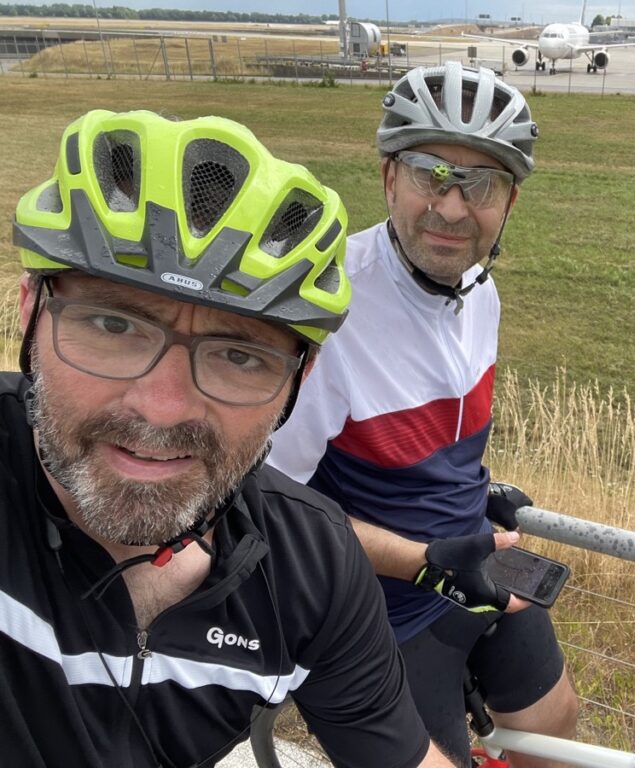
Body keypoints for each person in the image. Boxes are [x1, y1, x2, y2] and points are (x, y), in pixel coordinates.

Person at [1, 109, 454, 768]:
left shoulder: (313, 572)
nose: (162, 409)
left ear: (300, 380)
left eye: (239, 356)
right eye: (114, 325)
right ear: (29, 312)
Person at [268, 63, 579, 767]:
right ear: (388, 179)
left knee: (557, 732)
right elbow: (267, 508)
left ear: (510, 203)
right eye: (429, 174)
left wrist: (473, 489)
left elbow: (436, 437)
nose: (452, 208)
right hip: (379, 615)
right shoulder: (326, 313)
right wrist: (423, 562)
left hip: (476, 565)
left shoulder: (479, 293)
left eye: (481, 184)